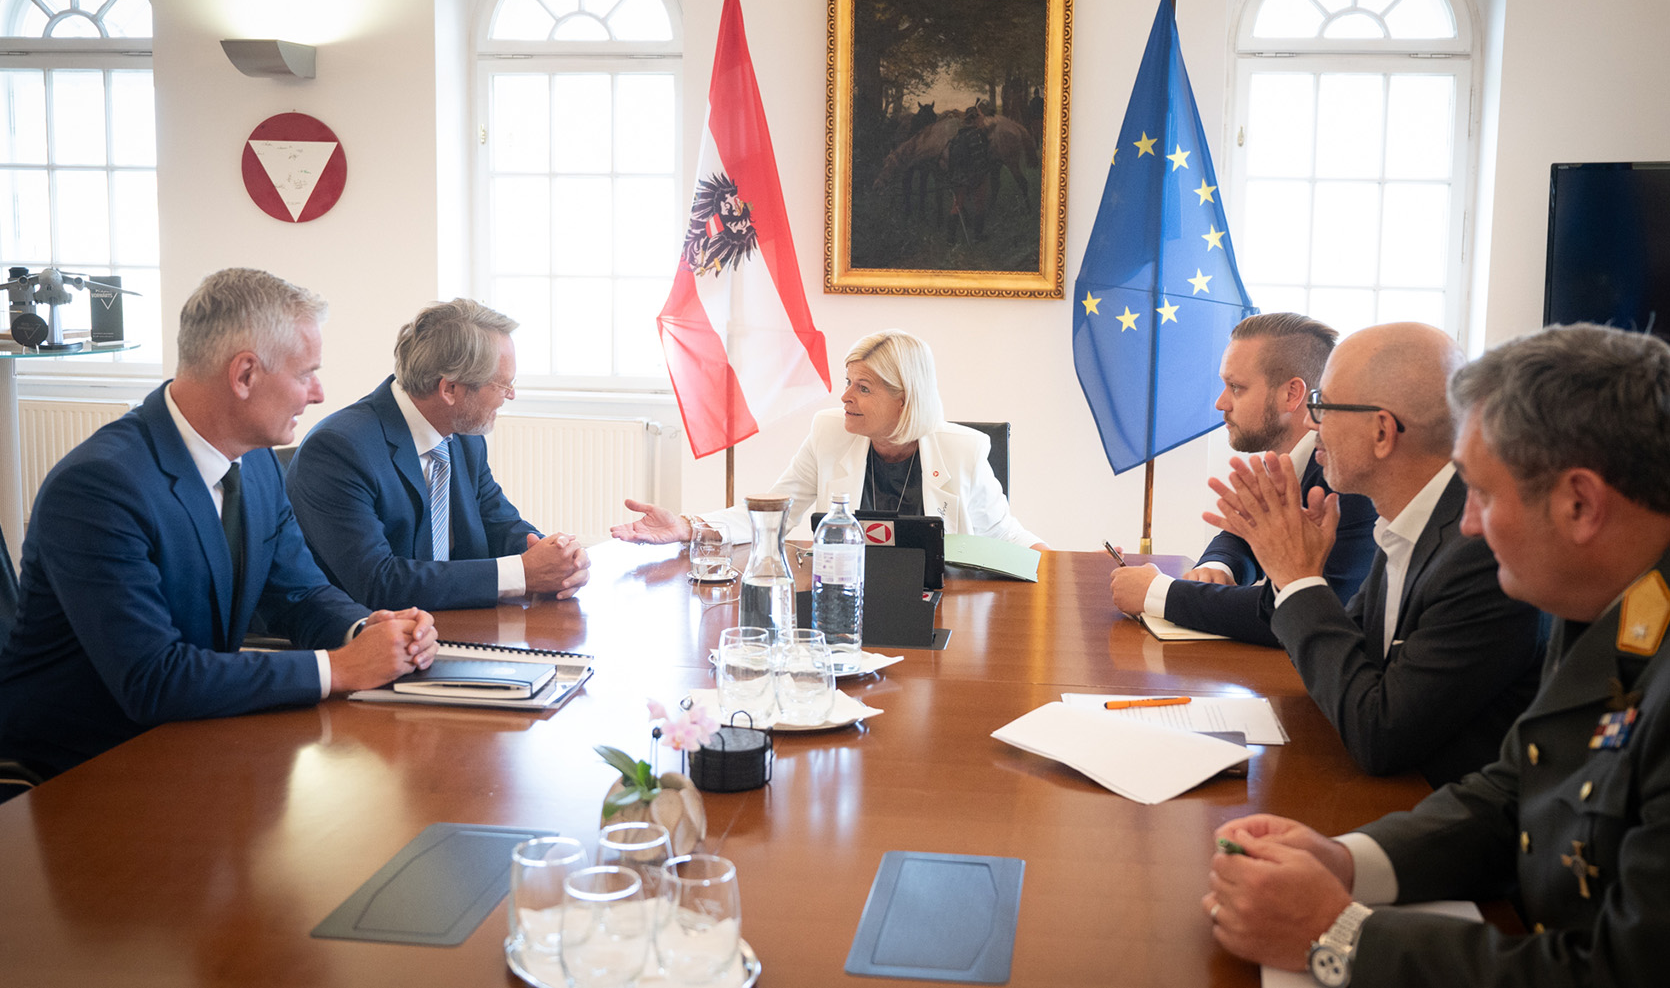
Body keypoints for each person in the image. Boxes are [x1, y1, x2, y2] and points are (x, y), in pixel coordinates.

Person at [1204, 323, 1670, 987]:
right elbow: (1514, 790)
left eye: (1484, 493)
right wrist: (1347, 861)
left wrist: (1339, 936)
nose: (1469, 522)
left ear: (1579, 504)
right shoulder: (1601, 597)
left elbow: (1624, 971)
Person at [0, 268, 437, 778]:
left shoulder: (255, 463)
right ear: (245, 375)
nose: (318, 393)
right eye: (305, 374)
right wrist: (340, 667)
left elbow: (299, 595)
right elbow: (153, 678)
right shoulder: (99, 487)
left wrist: (368, 631)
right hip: (86, 769)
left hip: (197, 736)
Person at [1202, 322, 1543, 787]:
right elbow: (1349, 669)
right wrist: (1294, 574)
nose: (1310, 423)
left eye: (1322, 406)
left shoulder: (1481, 553)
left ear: (1382, 431)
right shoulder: (1406, 519)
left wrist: (1299, 580)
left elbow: (1378, 734)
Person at [612, 329, 1043, 549]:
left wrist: (1072, 573)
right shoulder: (829, 433)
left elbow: (1005, 536)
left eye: (864, 388)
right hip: (844, 595)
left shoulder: (963, 450)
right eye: (848, 381)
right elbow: (774, 513)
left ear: (904, 400)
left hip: (939, 608)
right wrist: (687, 527)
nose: (845, 397)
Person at [286, 299, 590, 611]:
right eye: (503, 384)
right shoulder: (338, 450)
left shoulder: (463, 435)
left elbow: (499, 523)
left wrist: (557, 557)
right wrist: (523, 573)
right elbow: (378, 582)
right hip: (375, 629)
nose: (511, 395)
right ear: (450, 390)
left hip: (456, 619)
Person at [1110, 313, 1378, 644]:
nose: (1220, 403)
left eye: (1236, 387)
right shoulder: (1287, 462)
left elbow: (1305, 611)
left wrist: (1159, 593)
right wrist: (1219, 567)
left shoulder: (1345, 480)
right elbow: (1243, 535)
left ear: (1292, 394)